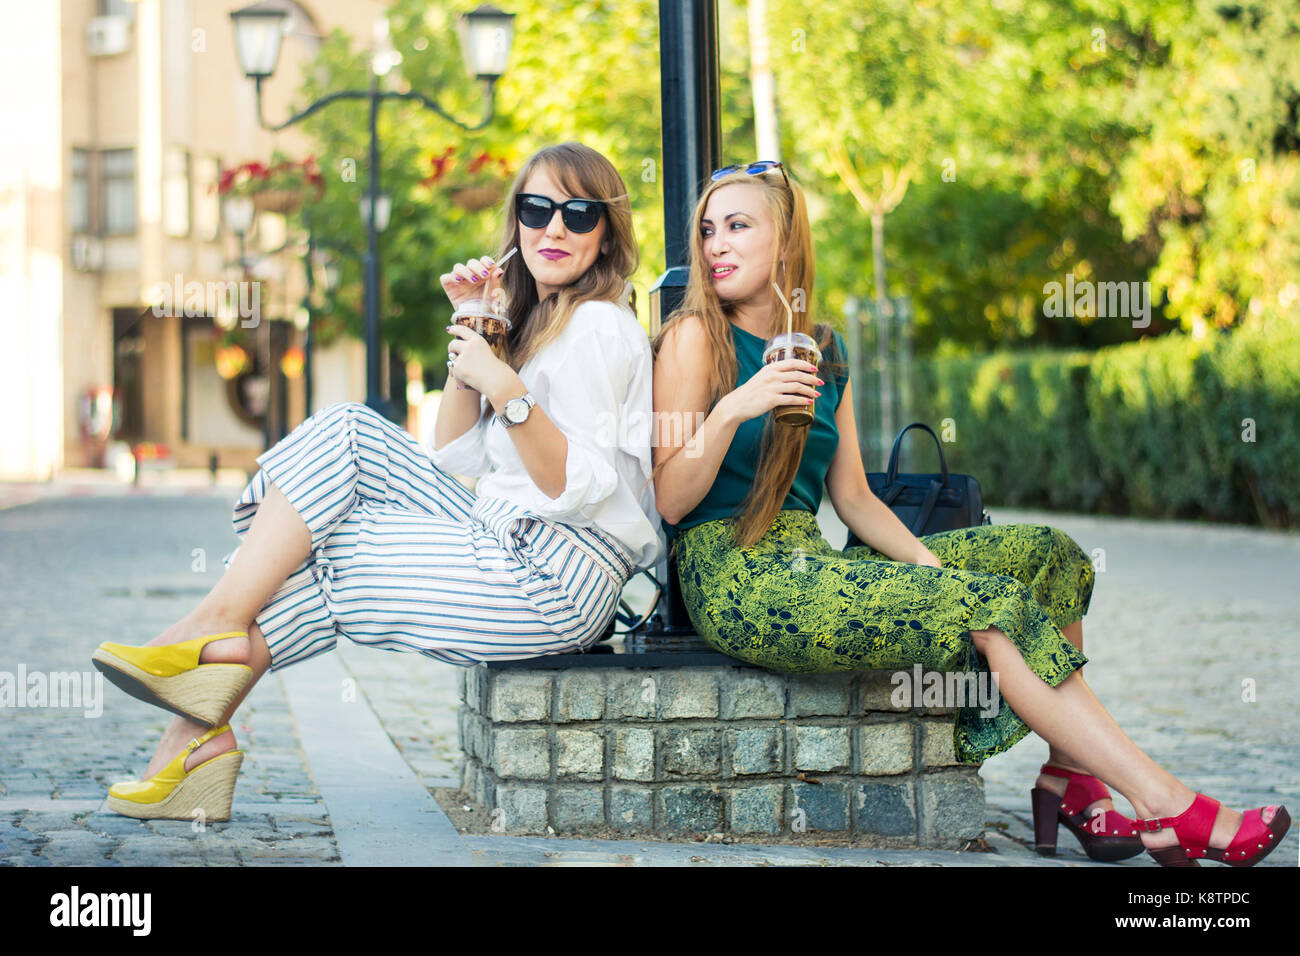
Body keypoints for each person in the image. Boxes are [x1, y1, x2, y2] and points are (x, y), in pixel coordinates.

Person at [649, 160, 1289, 867]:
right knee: (994, 606)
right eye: (708, 229)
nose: (715, 244)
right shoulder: (693, 338)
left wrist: (931, 568)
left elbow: (855, 497)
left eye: (739, 225)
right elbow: (672, 499)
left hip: (812, 558)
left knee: (1051, 555)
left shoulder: (825, 348)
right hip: (736, 574)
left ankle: (1070, 779)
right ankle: (1165, 806)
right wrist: (740, 402)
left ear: (787, 241)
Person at [91, 142, 662, 821]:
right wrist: (473, 338)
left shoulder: (598, 325)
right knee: (347, 431)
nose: (554, 228)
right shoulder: (539, 321)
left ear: (606, 234)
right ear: (516, 221)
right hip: (510, 530)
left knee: (329, 549)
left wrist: (505, 386)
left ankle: (203, 667)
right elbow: (454, 452)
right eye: (537, 209)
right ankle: (194, 727)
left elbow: (572, 482)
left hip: (558, 574)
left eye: (579, 213)